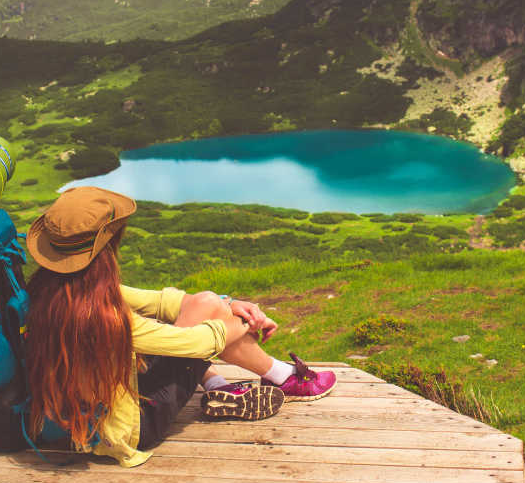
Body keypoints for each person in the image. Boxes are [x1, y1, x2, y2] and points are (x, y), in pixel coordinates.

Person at [24, 186, 336, 467]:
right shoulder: (103, 317)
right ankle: (283, 378)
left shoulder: (53, 292)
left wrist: (226, 303)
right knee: (204, 323)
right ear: (107, 247)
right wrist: (241, 321)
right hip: (129, 431)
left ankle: (220, 387)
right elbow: (198, 344)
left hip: (82, 414)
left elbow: (160, 302)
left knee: (205, 303)